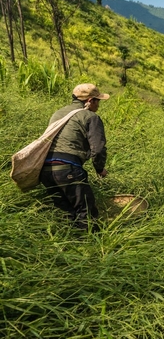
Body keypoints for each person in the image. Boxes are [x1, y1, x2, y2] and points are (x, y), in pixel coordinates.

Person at [40, 83, 109, 230]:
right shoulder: (90, 117)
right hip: (67, 168)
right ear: (90, 101)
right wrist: (100, 169)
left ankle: (68, 245)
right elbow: (98, 149)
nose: (99, 105)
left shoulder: (58, 113)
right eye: (98, 101)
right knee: (86, 212)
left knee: (66, 214)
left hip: (45, 170)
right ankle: (91, 247)